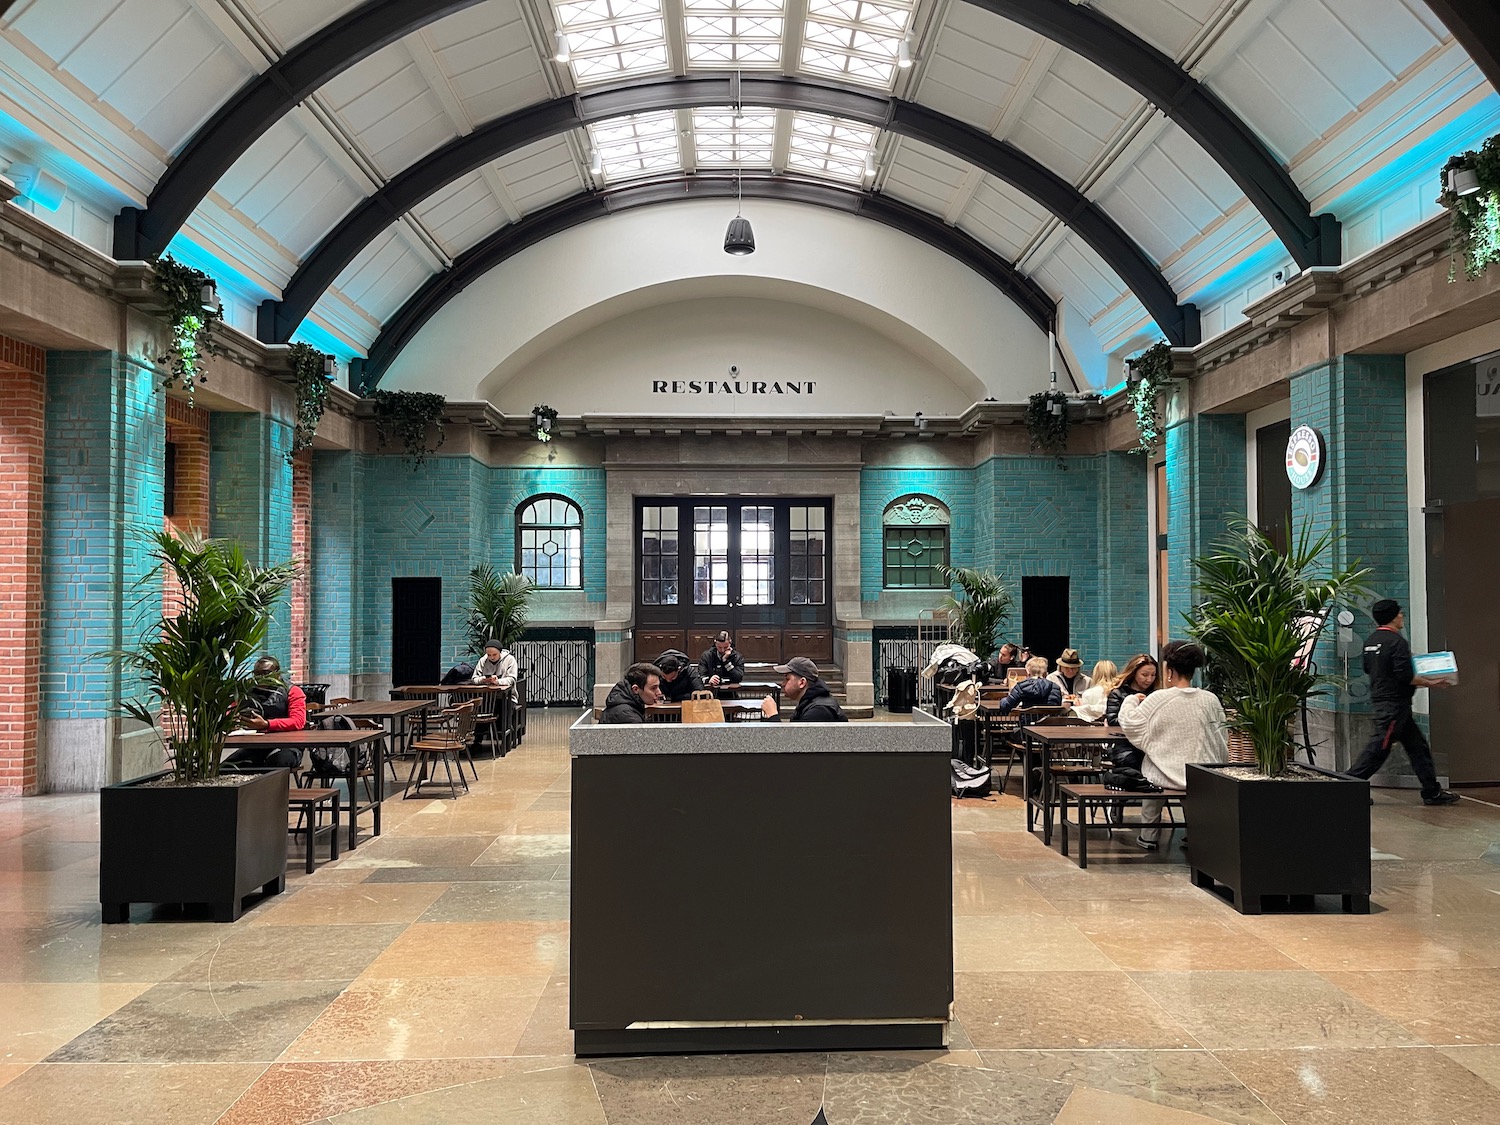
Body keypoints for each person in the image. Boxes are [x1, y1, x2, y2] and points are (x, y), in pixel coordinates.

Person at [1346, 600, 1459, 805]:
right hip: (1394, 706)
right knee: (1380, 747)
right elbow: (1405, 676)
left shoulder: (1371, 640)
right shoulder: (1397, 642)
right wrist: (1433, 682)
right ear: (1394, 616)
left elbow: (1368, 669)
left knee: (1418, 748)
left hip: (1387, 702)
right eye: (1400, 614)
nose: (1402, 617)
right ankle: (1347, 785)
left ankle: (1432, 791)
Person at [1117, 640, 1228, 849]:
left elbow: (1130, 724)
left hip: (1165, 777)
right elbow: (1222, 738)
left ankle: (1148, 836)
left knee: (1153, 767)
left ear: (1168, 669)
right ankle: (1194, 834)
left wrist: (1131, 701)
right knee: (1191, 778)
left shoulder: (1158, 698)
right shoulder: (1210, 700)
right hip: (1201, 777)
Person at [224, 655, 306, 770]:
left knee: (277, 763)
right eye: (257, 674)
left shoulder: (292, 691)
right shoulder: (247, 691)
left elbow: (298, 721)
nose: (261, 677)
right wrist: (232, 721)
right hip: (256, 745)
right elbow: (231, 711)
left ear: (277, 674)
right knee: (226, 768)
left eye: (266, 673)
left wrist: (267, 724)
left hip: (288, 745)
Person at [760, 657, 847, 722]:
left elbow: (793, 745)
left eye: (787, 679)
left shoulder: (818, 711)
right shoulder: (808, 704)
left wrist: (773, 716)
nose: (782, 684)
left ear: (802, 683)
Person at [994, 656, 1063, 714]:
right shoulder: (1055, 687)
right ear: (1045, 673)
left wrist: (1003, 699)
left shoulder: (1022, 686)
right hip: (1051, 726)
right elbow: (1058, 707)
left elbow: (1006, 706)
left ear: (1028, 672)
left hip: (1027, 726)